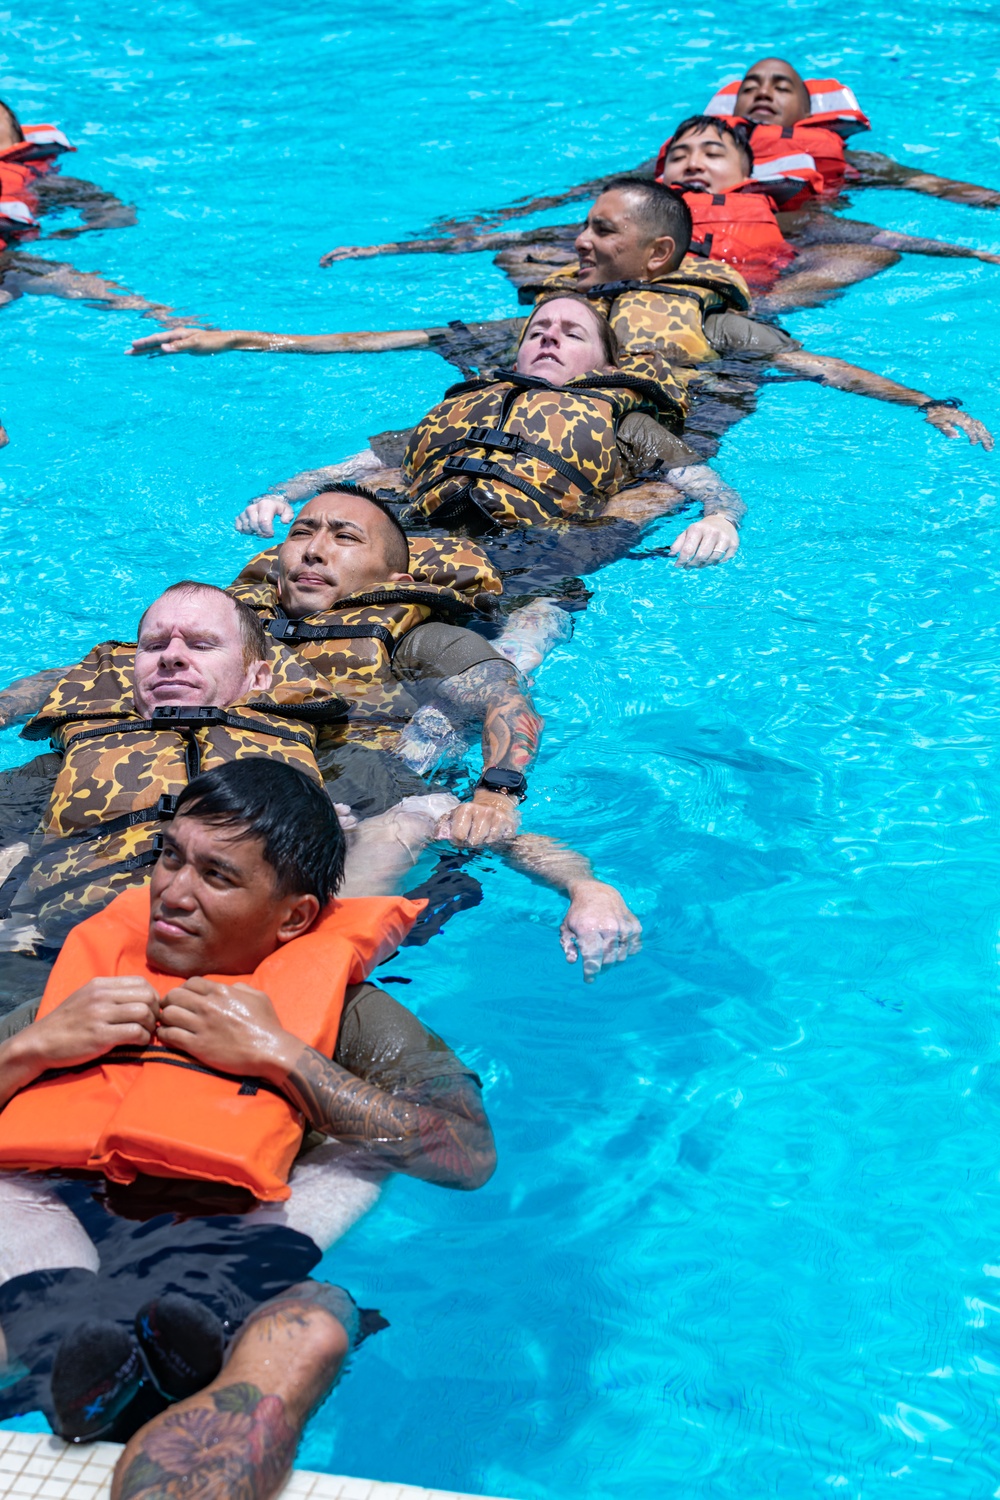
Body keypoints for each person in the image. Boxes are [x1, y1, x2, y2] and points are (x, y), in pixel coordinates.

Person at [0, 758, 496, 1500]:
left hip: (227, 1258)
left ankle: (119, 1373)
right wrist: (31, 1047)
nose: (173, 891)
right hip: (46, 1232)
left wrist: (286, 1058)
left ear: (294, 916)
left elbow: (467, 1155)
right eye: (169, 857)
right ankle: (105, 1359)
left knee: (311, 1330)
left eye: (217, 876)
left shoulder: (346, 1015)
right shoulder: (84, 992)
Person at [205, 178, 989, 540]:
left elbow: (815, 365)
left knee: (607, 515)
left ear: (656, 253)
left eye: (601, 232)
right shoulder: (541, 328)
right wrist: (240, 339)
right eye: (582, 229)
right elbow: (393, 340)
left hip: (627, 447)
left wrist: (925, 400)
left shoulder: (708, 327)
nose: (580, 241)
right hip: (514, 437)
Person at [0, 568, 641, 984]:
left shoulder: (320, 762)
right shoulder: (70, 763)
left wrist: (586, 887)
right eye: (153, 646)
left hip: (249, 969)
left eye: (201, 645)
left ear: (257, 678)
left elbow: (462, 820)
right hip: (61, 952)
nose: (171, 657)